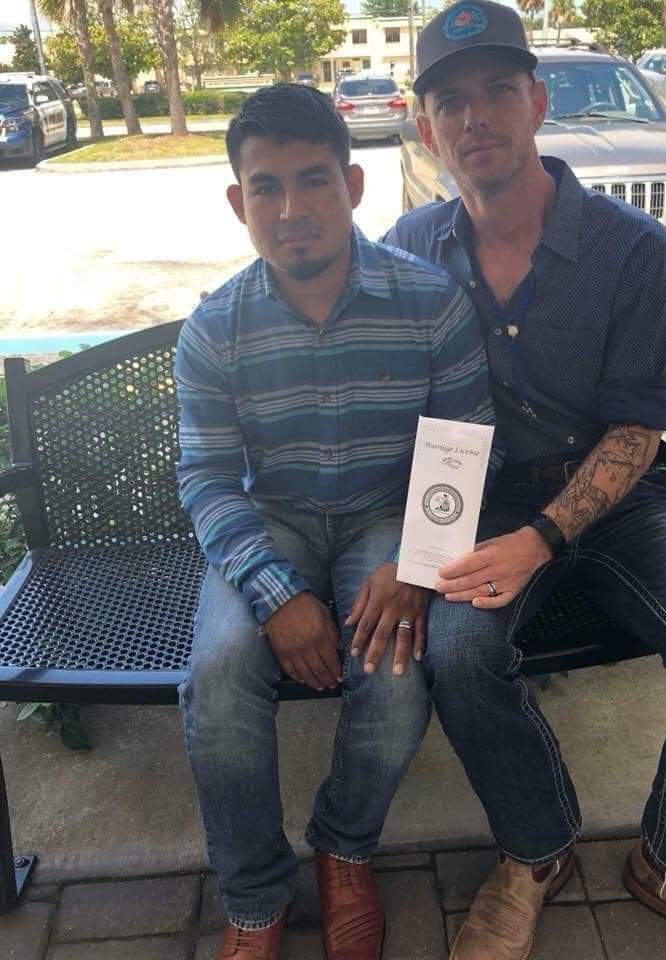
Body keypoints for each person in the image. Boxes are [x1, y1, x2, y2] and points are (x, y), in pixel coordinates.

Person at [382, 2, 666, 958]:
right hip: (475, 501)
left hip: (614, 502)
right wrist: (406, 548)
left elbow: (638, 428)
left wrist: (542, 539)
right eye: (451, 102)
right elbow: (400, 414)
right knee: (458, 658)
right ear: (427, 129)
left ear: (536, 103)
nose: (476, 117)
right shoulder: (410, 248)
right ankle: (536, 854)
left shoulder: (631, 249)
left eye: (497, 91)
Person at [175, 83, 501, 960]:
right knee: (217, 675)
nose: (292, 211)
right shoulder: (215, 329)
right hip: (270, 519)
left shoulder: (429, 301)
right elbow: (208, 478)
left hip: (385, 519)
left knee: (395, 672)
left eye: (313, 181)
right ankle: (253, 896)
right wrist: (276, 594)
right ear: (239, 202)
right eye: (267, 188)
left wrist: (421, 560)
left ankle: (344, 847)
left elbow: (465, 444)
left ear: (353, 186)